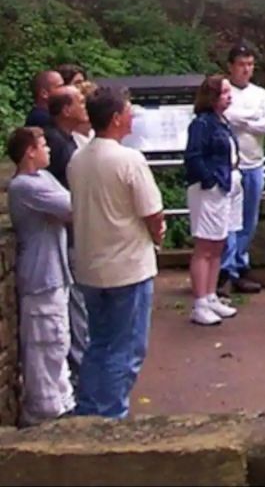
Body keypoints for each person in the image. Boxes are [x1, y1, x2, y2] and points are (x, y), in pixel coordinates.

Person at [67, 83, 165, 419]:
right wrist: (158, 234)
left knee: (99, 342)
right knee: (127, 348)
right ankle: (111, 415)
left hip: (91, 266)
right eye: (127, 109)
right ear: (115, 118)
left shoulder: (78, 158)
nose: (132, 114)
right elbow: (152, 212)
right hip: (128, 266)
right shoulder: (129, 160)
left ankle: (88, 409)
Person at [6, 126, 74, 426]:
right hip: (40, 278)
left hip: (57, 273)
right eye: (43, 144)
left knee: (59, 342)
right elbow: (72, 206)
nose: (49, 149)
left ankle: (63, 404)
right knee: (45, 344)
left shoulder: (43, 178)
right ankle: (43, 412)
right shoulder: (24, 186)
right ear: (30, 151)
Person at [184, 74, 242, 325]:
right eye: (224, 92)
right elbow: (193, 156)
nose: (229, 96)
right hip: (210, 189)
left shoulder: (223, 121)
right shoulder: (202, 124)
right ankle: (199, 302)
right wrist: (210, 180)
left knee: (219, 243)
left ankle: (210, 295)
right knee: (205, 246)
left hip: (227, 186)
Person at [219, 43, 265, 296]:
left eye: (250, 64)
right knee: (227, 219)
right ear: (231, 66)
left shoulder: (261, 94)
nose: (246, 69)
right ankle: (225, 270)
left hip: (254, 164)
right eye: (241, 64)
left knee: (248, 220)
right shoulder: (223, 90)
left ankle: (240, 265)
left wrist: (244, 121)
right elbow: (226, 117)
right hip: (229, 165)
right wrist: (252, 119)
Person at [44, 88, 91, 379]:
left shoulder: (67, 140)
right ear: (65, 110)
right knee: (77, 304)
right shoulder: (58, 145)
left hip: (74, 233)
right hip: (69, 236)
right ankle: (82, 371)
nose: (85, 106)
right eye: (80, 102)